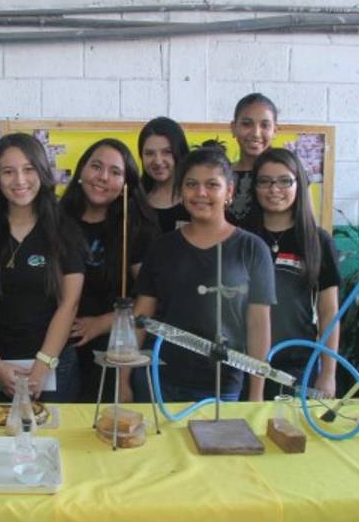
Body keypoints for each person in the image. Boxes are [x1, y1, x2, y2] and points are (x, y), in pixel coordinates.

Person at [128, 143, 276, 403]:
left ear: (229, 191)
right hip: (159, 378)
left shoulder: (252, 249)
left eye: (212, 185)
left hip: (223, 384)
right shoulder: (163, 247)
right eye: (191, 184)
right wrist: (122, 379)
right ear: (181, 191)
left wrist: (256, 393)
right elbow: (142, 315)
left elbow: (258, 325)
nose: (201, 193)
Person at [0, 133, 86, 403]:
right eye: (8, 171)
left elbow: (69, 304)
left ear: (42, 172)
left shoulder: (64, 231)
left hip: (54, 364)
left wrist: (42, 366)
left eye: (28, 169)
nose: (20, 180)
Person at [60, 138, 159, 402]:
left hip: (114, 347)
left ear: (126, 184)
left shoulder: (137, 230)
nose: (103, 177)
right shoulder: (56, 221)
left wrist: (100, 324)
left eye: (115, 172)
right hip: (57, 346)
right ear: (81, 170)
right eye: (96, 167)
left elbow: (149, 301)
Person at [252, 148, 341, 399]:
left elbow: (328, 312)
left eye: (284, 181)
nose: (274, 189)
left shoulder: (318, 241)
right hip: (245, 363)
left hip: (298, 364)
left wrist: (327, 374)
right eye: (265, 181)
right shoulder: (243, 238)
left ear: (298, 184)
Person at [228, 93, 279, 230]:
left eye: (265, 125)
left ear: (275, 131)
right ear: (233, 128)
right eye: (247, 124)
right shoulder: (220, 174)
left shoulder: (288, 175)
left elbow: (306, 224)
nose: (256, 133)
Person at [138, 116, 190, 233]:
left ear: (180, 152)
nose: (158, 161)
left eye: (167, 152)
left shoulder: (196, 199)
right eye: (149, 153)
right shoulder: (133, 201)